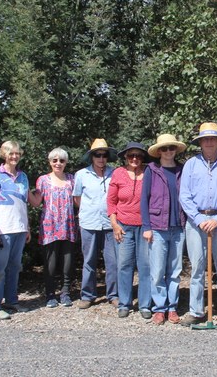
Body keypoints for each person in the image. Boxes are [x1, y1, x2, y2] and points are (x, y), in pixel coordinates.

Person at [178, 122, 217, 328]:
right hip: (196, 223)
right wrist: (198, 219)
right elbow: (184, 195)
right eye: (206, 139)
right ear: (200, 142)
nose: (209, 142)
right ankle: (196, 311)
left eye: (213, 138)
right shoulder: (191, 164)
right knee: (197, 269)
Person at [141, 134, 187, 325]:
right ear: (159, 151)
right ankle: (159, 308)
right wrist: (146, 226)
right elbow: (144, 198)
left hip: (179, 227)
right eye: (165, 148)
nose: (169, 151)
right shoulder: (152, 170)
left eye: (171, 148)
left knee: (175, 270)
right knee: (158, 270)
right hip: (158, 227)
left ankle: (172, 308)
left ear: (176, 150)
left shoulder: (182, 169)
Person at [0, 141, 30, 320]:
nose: (14, 157)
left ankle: (11, 300)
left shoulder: (23, 176)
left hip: (19, 227)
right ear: (4, 154)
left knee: (15, 267)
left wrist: (26, 227)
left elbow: (24, 203)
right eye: (11, 153)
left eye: (17, 154)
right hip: (3, 228)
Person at [108, 142, 152, 319]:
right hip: (123, 226)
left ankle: (145, 304)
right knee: (124, 265)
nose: (135, 159)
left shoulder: (149, 172)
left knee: (146, 266)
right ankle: (124, 303)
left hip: (144, 227)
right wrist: (114, 224)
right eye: (131, 155)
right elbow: (111, 202)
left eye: (139, 156)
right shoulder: (118, 173)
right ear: (125, 157)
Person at [73, 139, 118, 310]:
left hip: (109, 224)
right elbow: (77, 199)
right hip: (89, 224)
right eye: (97, 155)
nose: (101, 158)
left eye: (104, 154)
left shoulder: (115, 173)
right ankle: (87, 295)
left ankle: (113, 295)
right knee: (89, 261)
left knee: (112, 262)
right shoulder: (81, 175)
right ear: (92, 157)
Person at [31, 148, 77, 308]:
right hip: (49, 226)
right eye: (55, 160)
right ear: (50, 162)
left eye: (62, 160)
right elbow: (36, 202)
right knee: (50, 262)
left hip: (68, 225)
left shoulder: (72, 179)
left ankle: (65, 292)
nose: (58, 163)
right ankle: (50, 294)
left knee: (67, 261)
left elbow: (79, 201)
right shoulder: (43, 180)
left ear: (66, 163)